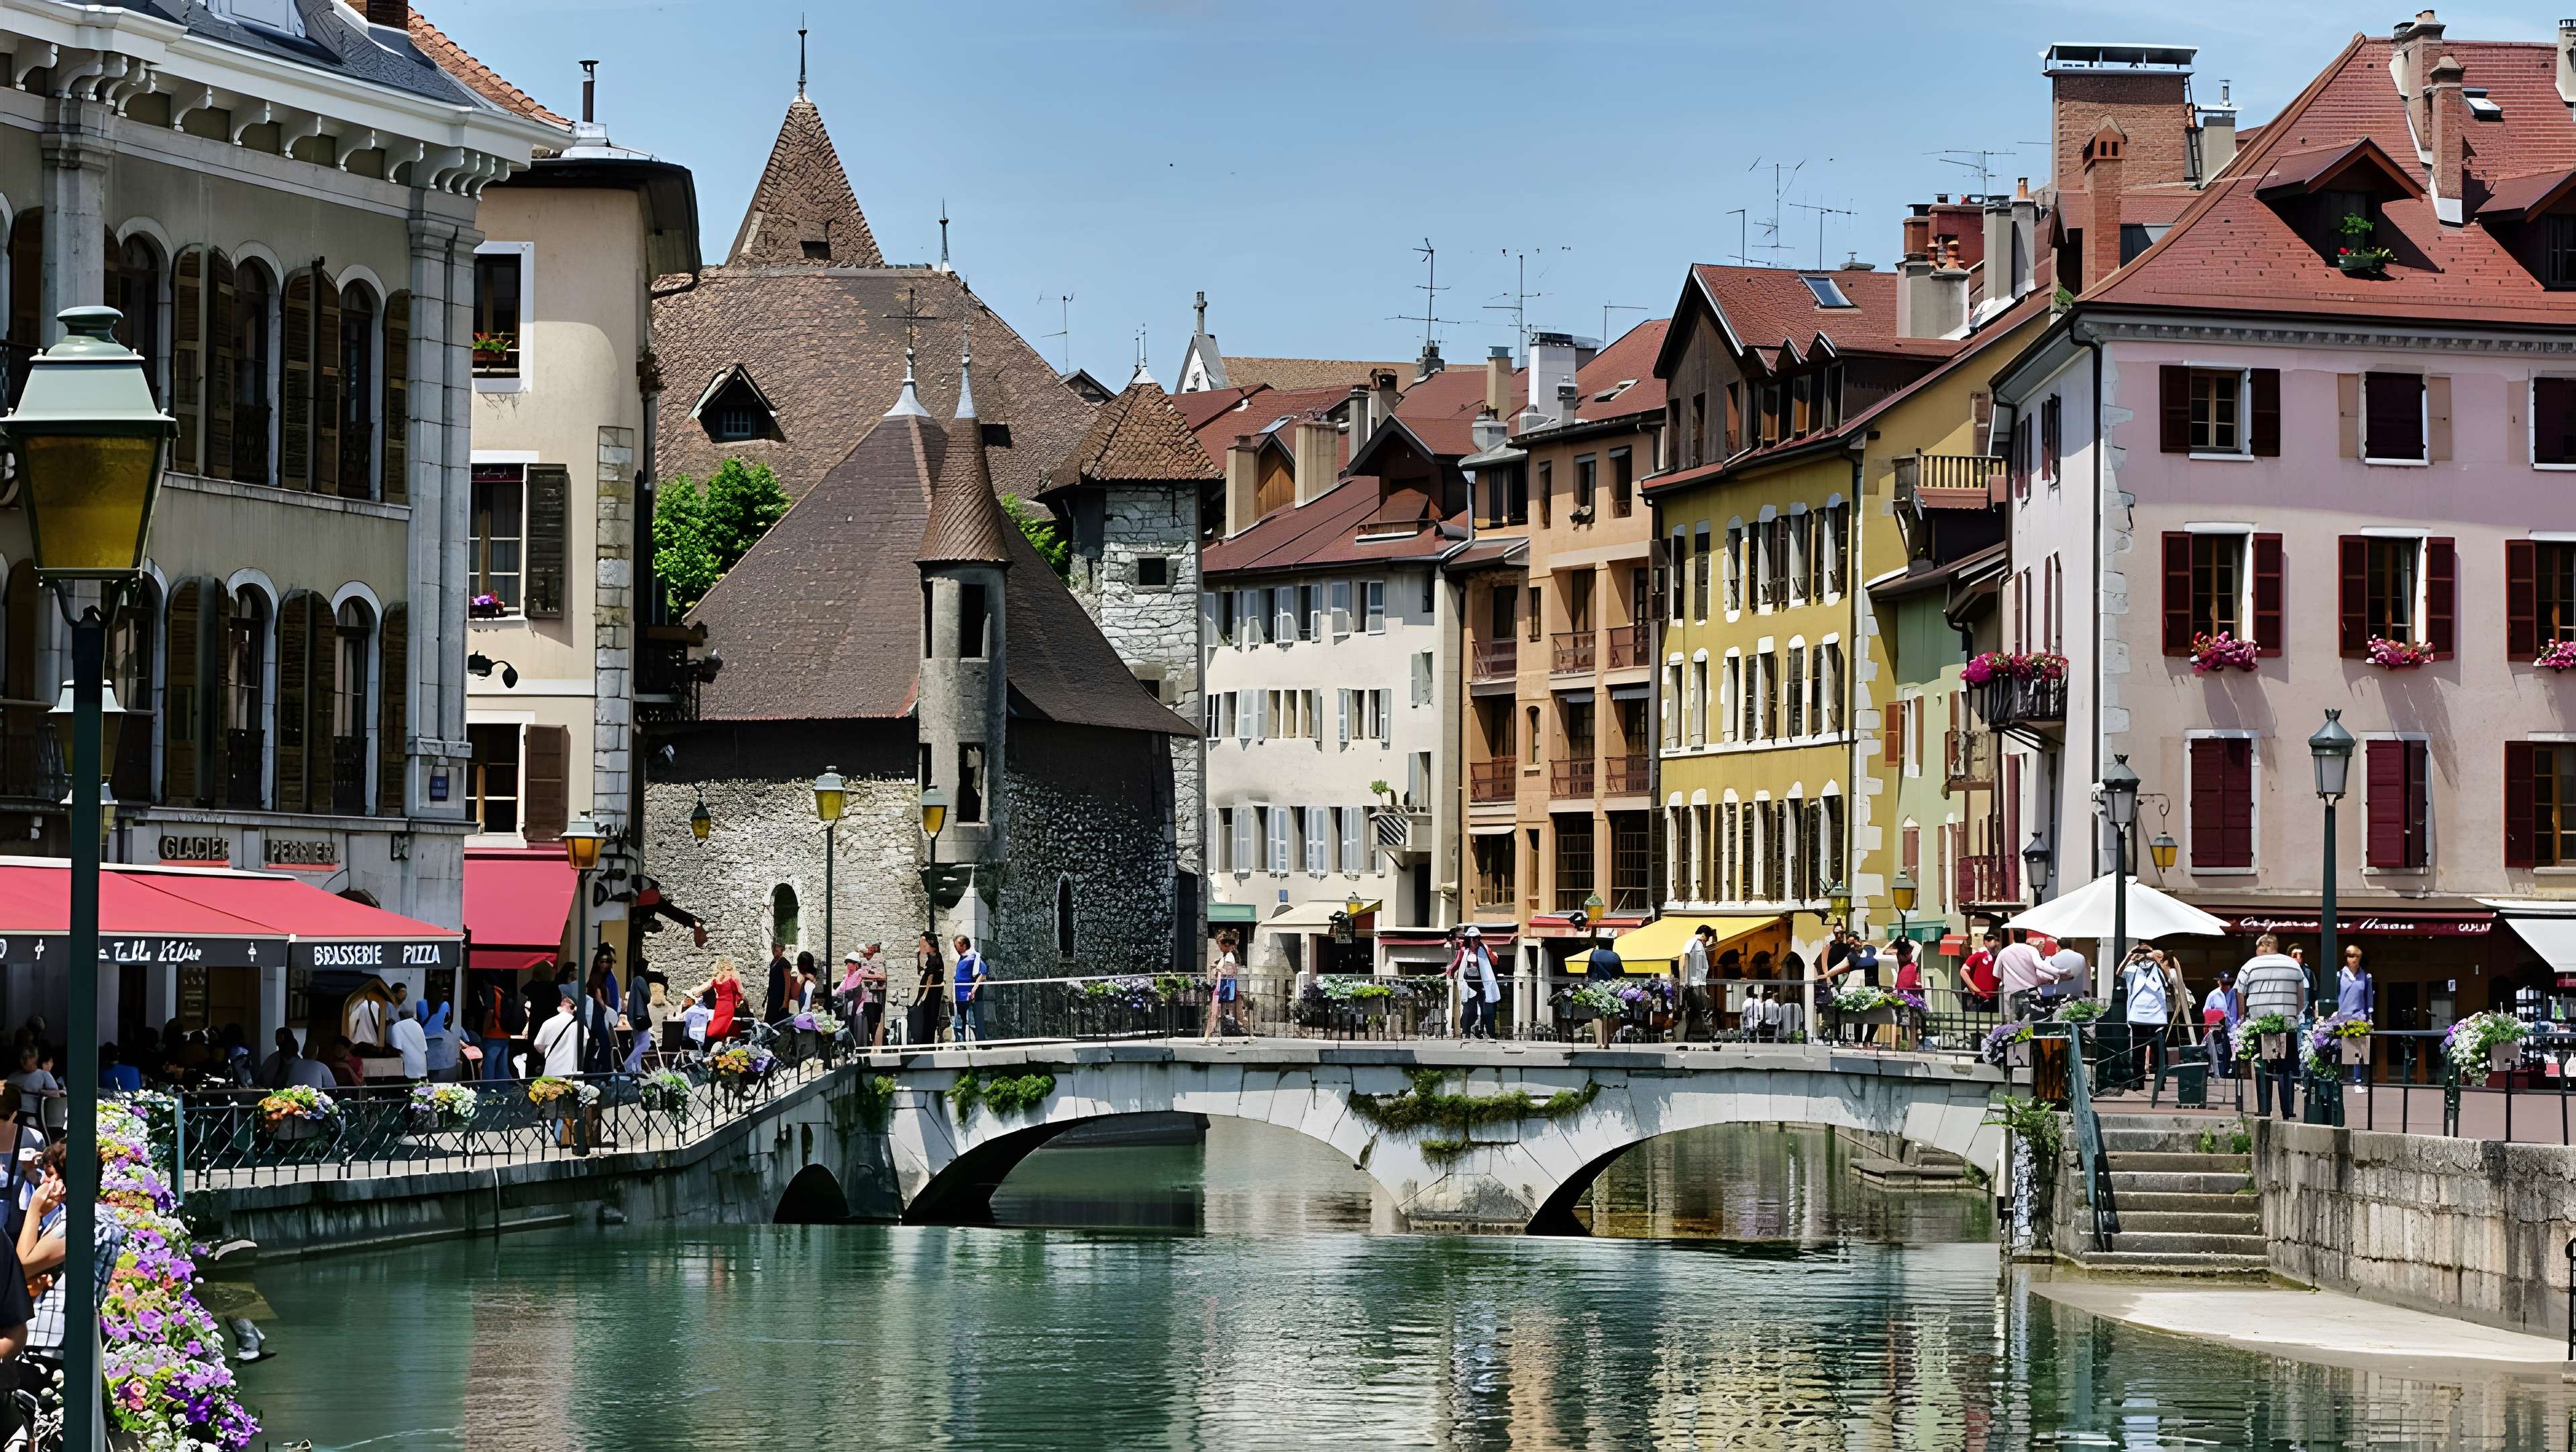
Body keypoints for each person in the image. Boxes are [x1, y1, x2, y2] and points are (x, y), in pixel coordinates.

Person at [2237, 934, 2308, 1121]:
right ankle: (2288, 1109)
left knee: (2262, 1066)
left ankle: (2264, 1108)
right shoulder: (2293, 966)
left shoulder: (2250, 966)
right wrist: (2291, 1014)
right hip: (2288, 1024)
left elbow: (2239, 993)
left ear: (2263, 946)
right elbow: (2301, 1000)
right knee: (2286, 1069)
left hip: (2259, 1025)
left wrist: (2243, 1016)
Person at [2120, 945, 2172, 1082]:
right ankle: (2138, 1079)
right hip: (2138, 1016)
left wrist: (2154, 958)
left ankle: (2161, 1078)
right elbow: (2119, 973)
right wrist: (2130, 955)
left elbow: (2169, 977)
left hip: (2157, 1017)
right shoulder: (2134, 970)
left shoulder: (2160, 970)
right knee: (2138, 1051)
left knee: (2159, 1050)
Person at [1448, 927, 1501, 1041]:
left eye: (1478, 938)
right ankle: (1466, 1032)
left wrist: (1493, 957)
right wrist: (1450, 972)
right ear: (1469, 939)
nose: (1476, 941)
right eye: (1474, 939)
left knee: (1487, 1009)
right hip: (1469, 984)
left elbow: (1494, 961)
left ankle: (1489, 1033)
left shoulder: (1484, 949)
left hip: (1483, 984)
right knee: (1468, 1010)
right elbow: (1457, 963)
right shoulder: (1464, 951)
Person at [2339, 943, 2376, 1088]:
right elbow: (2337, 995)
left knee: (2358, 1049)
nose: (2354, 959)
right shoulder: (2340, 975)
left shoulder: (2366, 977)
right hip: (2343, 1016)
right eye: (2350, 956)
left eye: (2356, 956)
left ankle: (2358, 1080)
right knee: (2340, 1047)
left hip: (2359, 1015)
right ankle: (2341, 1078)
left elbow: (2369, 999)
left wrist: (2370, 1018)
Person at [1996, 931, 2052, 1022]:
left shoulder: (2005, 952)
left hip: (2012, 994)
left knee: (2013, 1024)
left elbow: (1997, 974)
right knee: (2029, 1023)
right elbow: (2040, 973)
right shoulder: (2032, 952)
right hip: (2029, 993)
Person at [2203, 968, 2241, 1083]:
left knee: (2233, 1051)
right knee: (2219, 1050)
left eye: (2228, 983)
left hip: (2233, 1027)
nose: (2226, 986)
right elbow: (2206, 1011)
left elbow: (2241, 1010)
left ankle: (2231, 1070)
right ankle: (2219, 1071)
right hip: (2218, 1028)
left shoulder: (2236, 994)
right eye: (2224, 983)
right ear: (2219, 982)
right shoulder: (2213, 995)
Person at [5, 1047, 58, 1129]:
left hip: (31, 1116)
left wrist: (38, 1091)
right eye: (23, 1058)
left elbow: (56, 1095)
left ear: (35, 1059)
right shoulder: (13, 1076)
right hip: (10, 1115)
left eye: (29, 1057)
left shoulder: (44, 1075)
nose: (25, 1061)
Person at [1204, 931, 1243, 1041]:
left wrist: (1219, 969)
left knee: (1214, 1012)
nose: (1219, 947)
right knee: (1214, 1012)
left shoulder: (1230, 957)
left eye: (1220, 944)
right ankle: (1207, 1036)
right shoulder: (1226, 957)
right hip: (1221, 987)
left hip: (1222, 988)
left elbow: (1231, 972)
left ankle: (1207, 1036)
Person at [1679, 925, 1714, 1041]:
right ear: (1703, 935)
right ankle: (1692, 1034)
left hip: (1697, 984)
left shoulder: (1696, 944)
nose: (1706, 942)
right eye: (1706, 939)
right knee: (1696, 1010)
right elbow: (1684, 960)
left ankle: (1693, 1034)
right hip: (1694, 985)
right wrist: (1685, 981)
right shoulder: (1693, 943)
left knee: (1698, 1011)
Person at [953, 937, 988, 1045]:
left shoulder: (974, 957)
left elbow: (983, 973)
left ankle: (977, 1043)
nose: (955, 949)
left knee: (972, 1021)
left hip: (968, 995)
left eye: (957, 946)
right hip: (959, 995)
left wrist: (974, 989)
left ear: (964, 945)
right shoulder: (962, 958)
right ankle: (960, 1043)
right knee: (959, 1021)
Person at [912, 935, 945, 1046]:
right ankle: (925, 1041)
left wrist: (924, 994)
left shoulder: (935, 957)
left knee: (929, 1016)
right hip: (930, 992)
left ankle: (927, 1042)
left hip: (931, 993)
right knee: (927, 1016)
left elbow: (931, 977)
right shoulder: (932, 956)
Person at [702, 957, 744, 1043]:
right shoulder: (733, 979)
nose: (730, 971)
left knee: (722, 1024)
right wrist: (739, 1000)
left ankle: (719, 1041)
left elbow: (707, 987)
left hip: (722, 1005)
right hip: (726, 1005)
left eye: (730, 969)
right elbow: (741, 992)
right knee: (722, 1025)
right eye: (729, 969)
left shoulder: (716, 980)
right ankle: (721, 1042)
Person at [1962, 930, 2001, 1014]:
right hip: (1980, 998)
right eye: (1990, 940)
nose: (1995, 943)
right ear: (1985, 942)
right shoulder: (1980, 954)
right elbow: (1964, 971)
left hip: (1995, 997)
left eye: (1997, 940)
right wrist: (1974, 988)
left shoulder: (1998, 957)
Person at [388, 1002, 429, 1080]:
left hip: (407, 1070)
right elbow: (425, 1049)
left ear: (400, 1015)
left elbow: (397, 1049)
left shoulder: (397, 1026)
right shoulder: (418, 1026)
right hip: (422, 1067)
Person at [765, 941, 794, 1026]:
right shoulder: (774, 961)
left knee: (779, 1023)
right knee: (770, 1021)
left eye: (776, 947)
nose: (774, 950)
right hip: (773, 997)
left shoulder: (785, 963)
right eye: (773, 948)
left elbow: (788, 983)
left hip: (781, 997)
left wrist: (785, 1001)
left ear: (782, 949)